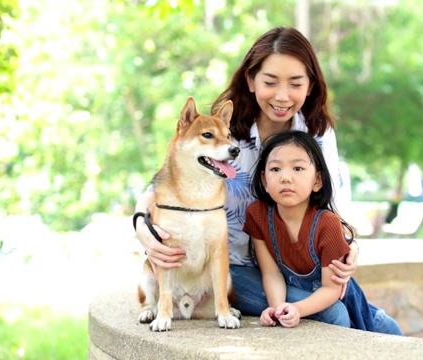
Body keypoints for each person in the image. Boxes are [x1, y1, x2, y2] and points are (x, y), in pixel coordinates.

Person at [133, 27, 359, 327]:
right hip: (234, 265)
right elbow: (165, 182)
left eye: (295, 83)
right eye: (270, 82)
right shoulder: (224, 131)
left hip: (300, 261)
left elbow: (332, 202)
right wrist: (140, 224)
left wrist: (351, 245)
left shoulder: (317, 132)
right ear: (251, 81)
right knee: (334, 314)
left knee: (377, 321)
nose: (282, 96)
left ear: (310, 85)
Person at [243, 130, 402, 335]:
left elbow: (331, 289)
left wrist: (297, 309)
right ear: (264, 181)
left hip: (354, 309)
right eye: (275, 169)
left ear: (317, 180)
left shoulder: (328, 224)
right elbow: (271, 273)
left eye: (298, 168)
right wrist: (278, 309)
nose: (285, 178)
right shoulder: (257, 214)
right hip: (304, 298)